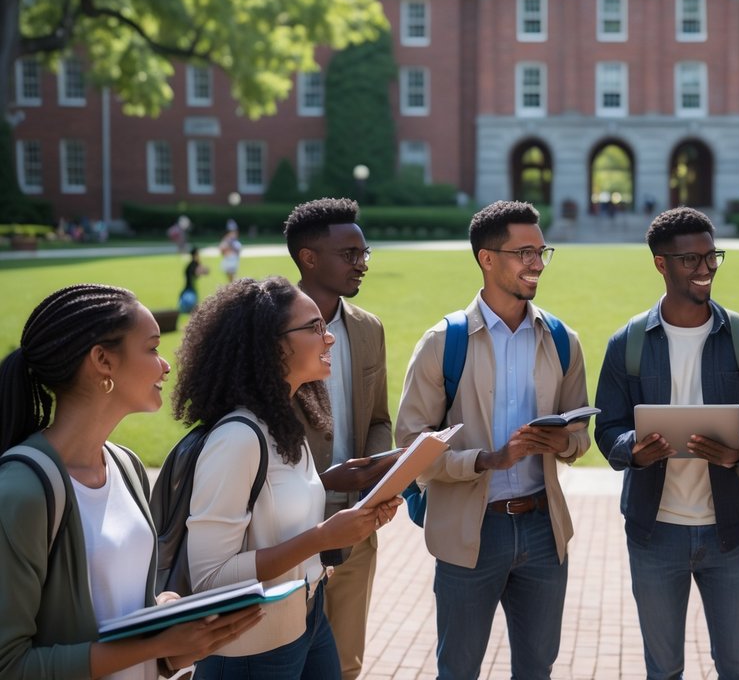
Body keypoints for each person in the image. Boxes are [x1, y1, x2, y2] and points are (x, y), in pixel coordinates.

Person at [0, 284, 262, 679]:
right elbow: (11, 665)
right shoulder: (23, 491)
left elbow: (119, 622)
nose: (166, 365)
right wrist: (159, 643)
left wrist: (168, 630)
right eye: (153, 348)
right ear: (103, 360)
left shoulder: (127, 467)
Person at [396, 200, 591, 680]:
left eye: (542, 251)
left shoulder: (562, 339)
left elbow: (581, 436)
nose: (537, 263)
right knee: (458, 670)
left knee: (537, 670)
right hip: (470, 535)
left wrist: (561, 444)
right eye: (524, 252)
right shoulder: (443, 342)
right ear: (487, 258)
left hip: (545, 533)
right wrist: (486, 460)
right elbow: (410, 449)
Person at [172, 277, 400, 679]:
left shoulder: (285, 421)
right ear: (272, 344)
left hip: (309, 617)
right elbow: (210, 578)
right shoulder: (237, 439)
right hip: (252, 649)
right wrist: (324, 537)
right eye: (314, 327)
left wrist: (329, 484)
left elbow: (273, 502)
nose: (329, 338)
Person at [595, 207, 739, 680]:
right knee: (664, 669)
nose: (705, 270)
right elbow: (607, 427)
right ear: (661, 264)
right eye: (690, 260)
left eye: (711, 257)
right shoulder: (628, 343)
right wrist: (632, 449)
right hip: (654, 532)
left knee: (737, 666)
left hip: (726, 530)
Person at [283, 197, 395, 679]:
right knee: (284, 663)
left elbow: (377, 417)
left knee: (345, 666)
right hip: (286, 531)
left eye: (364, 253)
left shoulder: (368, 329)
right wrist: (319, 481)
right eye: (349, 254)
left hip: (356, 524)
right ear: (309, 258)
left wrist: (381, 472)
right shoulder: (267, 329)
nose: (361, 264)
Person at [179, 245, 209, 314]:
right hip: (190, 291)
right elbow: (201, 272)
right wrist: (204, 269)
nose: (199, 255)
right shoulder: (193, 264)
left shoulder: (192, 264)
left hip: (189, 290)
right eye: (198, 254)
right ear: (195, 255)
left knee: (195, 311)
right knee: (194, 311)